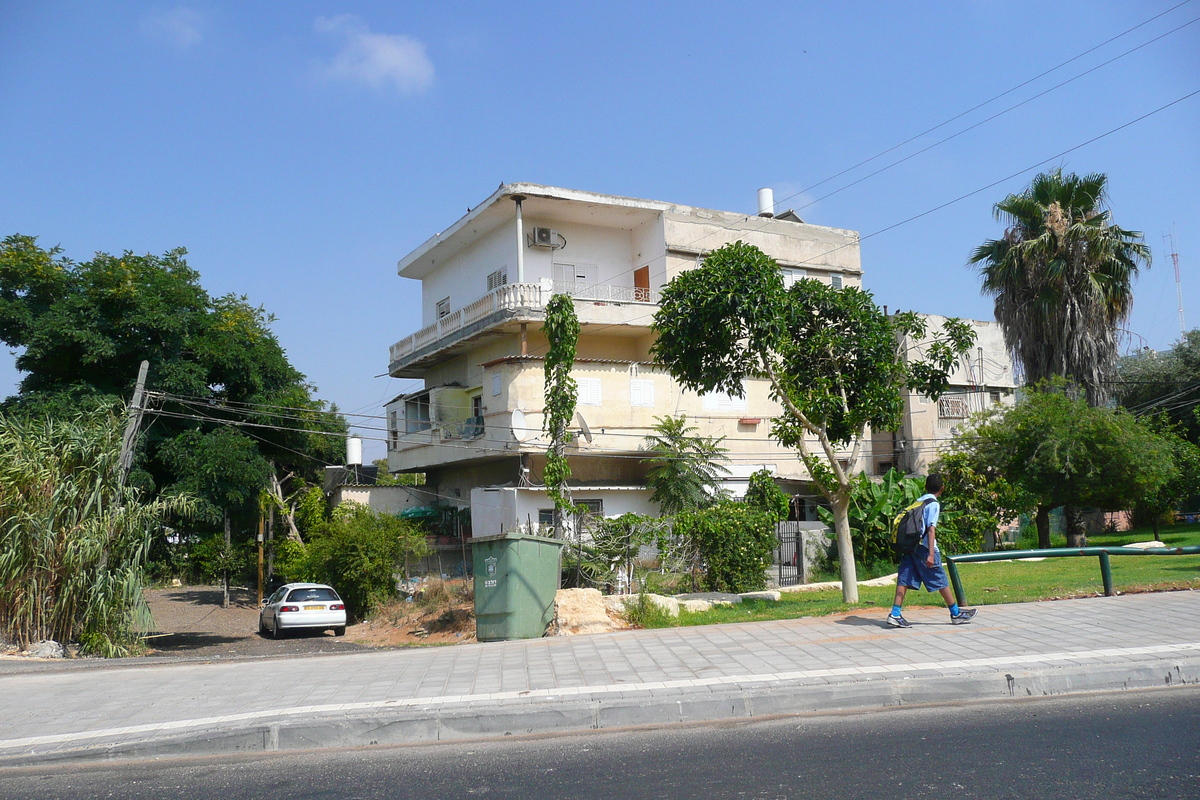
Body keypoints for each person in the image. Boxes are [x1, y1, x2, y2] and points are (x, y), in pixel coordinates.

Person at [887, 473, 977, 628]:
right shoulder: (933, 504)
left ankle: (895, 613)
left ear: (925, 487)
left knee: (905, 578)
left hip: (912, 547)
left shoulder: (919, 501)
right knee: (939, 578)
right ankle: (955, 613)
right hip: (924, 548)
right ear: (942, 489)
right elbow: (930, 529)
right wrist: (930, 553)